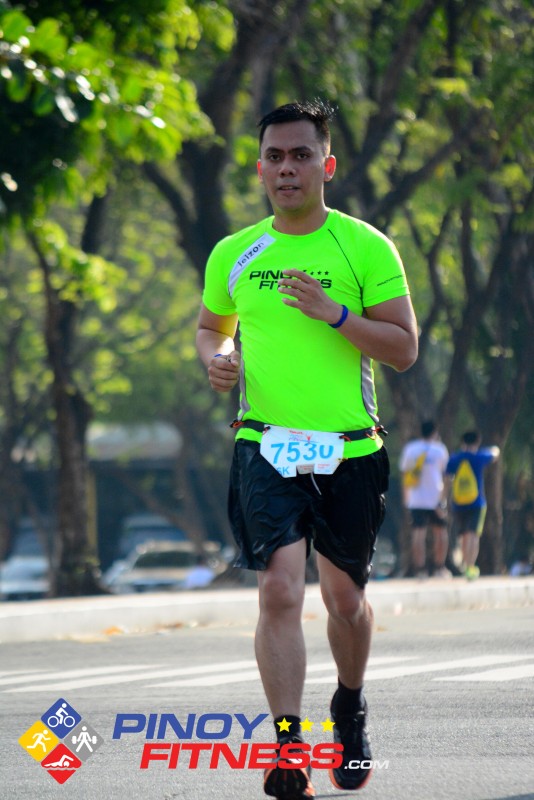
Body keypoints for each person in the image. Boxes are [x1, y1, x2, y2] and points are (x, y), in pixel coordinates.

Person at [196, 100, 418, 799]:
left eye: (300, 155)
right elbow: (210, 327)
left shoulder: (365, 247)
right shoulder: (235, 252)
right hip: (264, 443)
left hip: (350, 450)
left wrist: (336, 314)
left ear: (327, 164)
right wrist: (219, 358)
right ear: (260, 168)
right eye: (274, 157)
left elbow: (404, 349)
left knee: (344, 600)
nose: (286, 168)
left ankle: (348, 708)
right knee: (279, 590)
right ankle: (289, 747)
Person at [445, 431, 500, 580]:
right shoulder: (479, 457)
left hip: (458, 503)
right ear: (477, 442)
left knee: (463, 535)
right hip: (477, 502)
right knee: (473, 535)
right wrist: (495, 448)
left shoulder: (455, 458)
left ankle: (465, 565)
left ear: (462, 442)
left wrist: (445, 498)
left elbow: (447, 479)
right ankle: (470, 567)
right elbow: (495, 454)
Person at [399, 420, 450, 579]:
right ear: (435, 432)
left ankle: (420, 570)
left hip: (416, 499)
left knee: (418, 534)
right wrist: (444, 497)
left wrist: (406, 497)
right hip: (436, 498)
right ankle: (439, 568)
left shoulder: (411, 448)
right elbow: (447, 475)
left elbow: (404, 474)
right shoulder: (440, 449)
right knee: (441, 533)